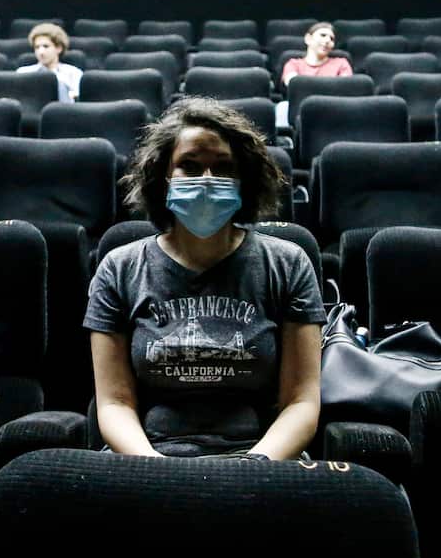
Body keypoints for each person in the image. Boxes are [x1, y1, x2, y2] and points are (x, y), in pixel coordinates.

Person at [86, 97, 325, 459]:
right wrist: (156, 470)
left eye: (224, 167)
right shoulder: (120, 268)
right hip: (146, 458)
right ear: (163, 177)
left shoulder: (288, 263)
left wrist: (251, 468)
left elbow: (301, 401)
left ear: (244, 179)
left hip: (262, 459)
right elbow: (115, 402)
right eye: (190, 165)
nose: (208, 180)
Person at [15, 22, 82, 103]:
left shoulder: (74, 73)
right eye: (37, 47)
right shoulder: (22, 73)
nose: (41, 52)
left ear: (59, 48)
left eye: (46, 46)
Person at [281, 21, 351, 86]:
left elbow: (344, 87)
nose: (328, 40)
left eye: (331, 39)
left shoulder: (342, 63)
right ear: (308, 39)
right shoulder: (293, 64)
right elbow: (294, 85)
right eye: (323, 35)